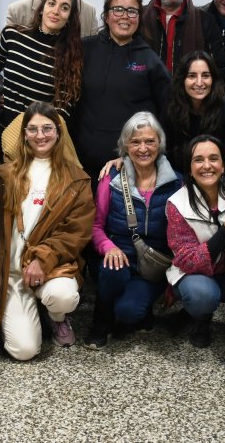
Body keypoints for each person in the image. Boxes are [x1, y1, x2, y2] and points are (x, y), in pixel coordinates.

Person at [0, 102, 94, 360]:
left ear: (58, 132)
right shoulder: (1, 177)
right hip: (12, 275)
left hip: (51, 269)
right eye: (32, 129)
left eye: (47, 128)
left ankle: (56, 316)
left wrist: (42, 259)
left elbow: (75, 234)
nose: (40, 135)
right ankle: (31, 311)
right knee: (23, 351)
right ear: (24, 134)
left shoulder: (77, 180)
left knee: (62, 296)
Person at [165, 135, 225, 370]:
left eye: (213, 159)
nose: (206, 166)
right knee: (201, 295)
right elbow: (188, 260)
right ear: (189, 168)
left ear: (223, 164)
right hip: (195, 276)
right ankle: (201, 319)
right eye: (198, 160)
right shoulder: (176, 203)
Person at [85, 112, 181, 349]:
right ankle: (101, 320)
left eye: (150, 141)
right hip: (119, 256)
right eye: (135, 142)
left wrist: (174, 280)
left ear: (160, 143)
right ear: (125, 145)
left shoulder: (177, 183)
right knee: (111, 268)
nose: (143, 148)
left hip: (154, 264)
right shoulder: (111, 178)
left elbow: (182, 237)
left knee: (129, 312)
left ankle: (138, 308)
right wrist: (109, 247)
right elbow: (95, 226)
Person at [72, 0, 171, 182]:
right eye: (118, 9)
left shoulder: (149, 59)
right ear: (107, 16)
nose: (125, 16)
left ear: (139, 18)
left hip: (129, 167)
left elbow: (167, 111)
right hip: (81, 165)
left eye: (132, 11)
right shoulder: (83, 50)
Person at [0, 0, 84, 129]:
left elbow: (65, 107)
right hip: (5, 134)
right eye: (52, 3)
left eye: (64, 8)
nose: (56, 11)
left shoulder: (72, 54)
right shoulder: (12, 35)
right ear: (42, 8)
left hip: (42, 139)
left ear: (69, 18)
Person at [140, 0, 223, 73]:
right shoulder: (138, 18)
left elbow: (217, 68)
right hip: (147, 91)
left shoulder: (206, 21)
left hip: (191, 91)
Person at [164, 51, 225, 173]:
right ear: (182, 80)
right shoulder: (173, 109)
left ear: (213, 79)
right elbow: (168, 155)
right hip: (181, 182)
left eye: (205, 75)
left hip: (218, 181)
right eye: (192, 76)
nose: (199, 83)